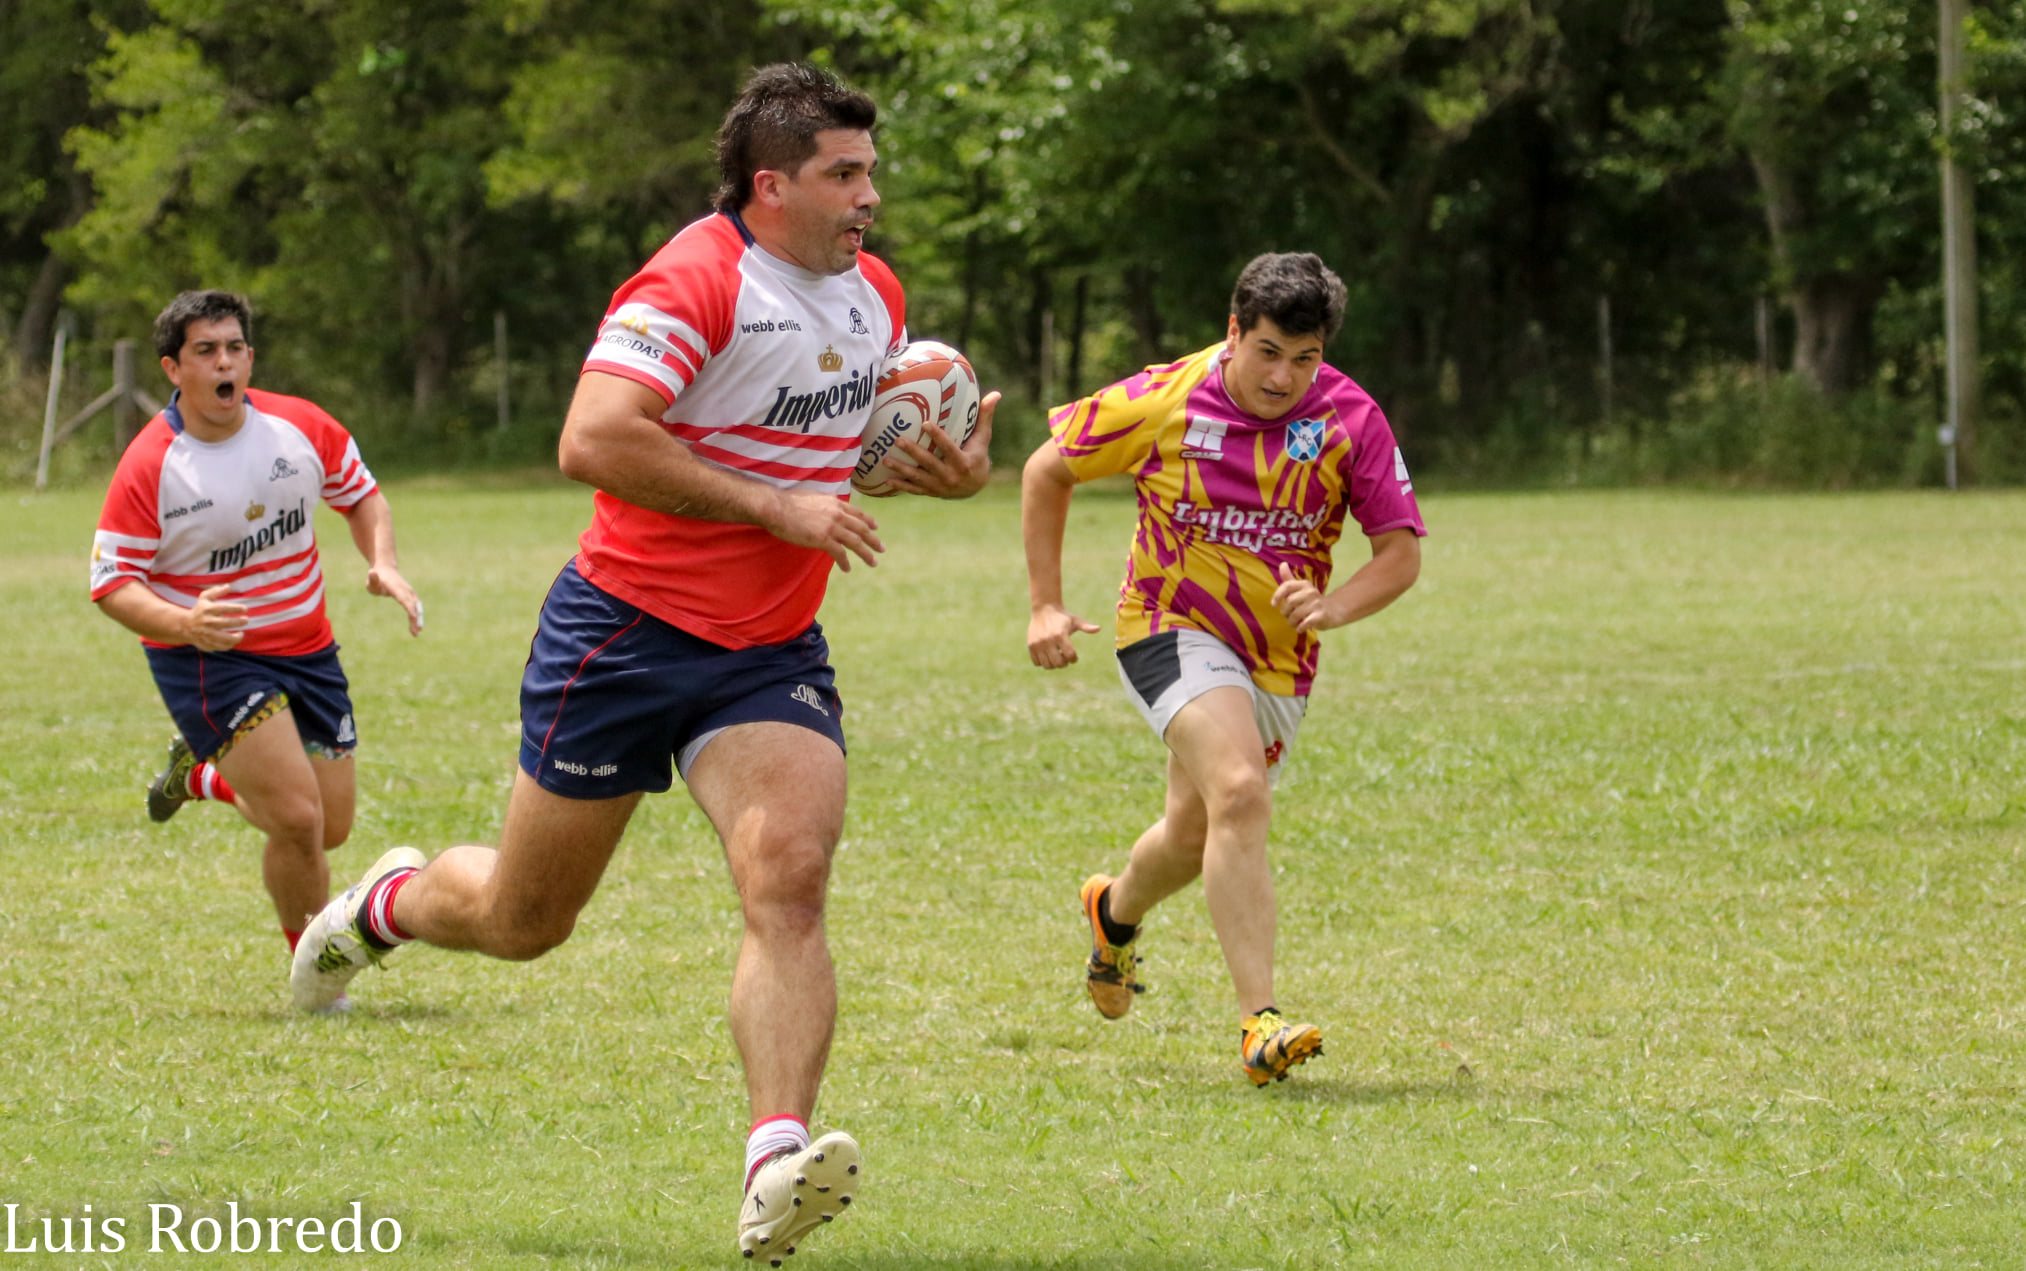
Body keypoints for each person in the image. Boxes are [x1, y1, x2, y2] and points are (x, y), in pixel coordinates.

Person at [290, 63, 993, 1264]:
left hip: (768, 649)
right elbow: (593, 436)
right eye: (844, 174)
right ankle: (380, 906)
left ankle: (775, 1153)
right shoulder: (695, 278)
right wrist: (777, 507)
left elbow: (855, 434)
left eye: (870, 171)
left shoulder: (873, 292)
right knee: (523, 920)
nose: (868, 195)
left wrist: (951, 465)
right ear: (771, 185)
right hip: (620, 635)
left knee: (790, 873)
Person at [1022, 252, 1424, 1087]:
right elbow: (1046, 468)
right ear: (1234, 330)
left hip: (1278, 656)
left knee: (1196, 830)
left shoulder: (1351, 418)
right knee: (1241, 789)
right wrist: (1045, 603)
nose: (1284, 377)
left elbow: (1399, 554)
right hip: (1167, 624)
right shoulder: (1165, 396)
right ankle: (1260, 1022)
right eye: (1269, 350)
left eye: (1305, 358)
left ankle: (1115, 910)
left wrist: (1336, 605)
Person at [89, 289, 423, 994]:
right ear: (172, 369)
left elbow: (362, 495)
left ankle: (205, 774)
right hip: (209, 656)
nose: (224, 362)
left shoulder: (297, 427)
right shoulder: (153, 463)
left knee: (330, 827)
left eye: (235, 347)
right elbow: (112, 582)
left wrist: (383, 561)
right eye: (205, 350)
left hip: (309, 648)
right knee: (298, 820)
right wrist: (183, 624)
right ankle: (317, 970)